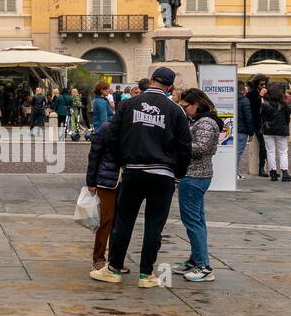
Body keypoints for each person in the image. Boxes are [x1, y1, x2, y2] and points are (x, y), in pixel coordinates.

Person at [91, 66, 192, 288]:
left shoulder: (127, 105)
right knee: (154, 225)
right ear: (170, 86)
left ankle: (114, 268)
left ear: (151, 80)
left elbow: (112, 136)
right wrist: (178, 174)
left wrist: (121, 162)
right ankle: (146, 274)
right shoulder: (176, 111)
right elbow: (185, 147)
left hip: (134, 170)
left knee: (124, 222)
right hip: (163, 174)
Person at [173, 88, 220, 282]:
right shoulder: (201, 121)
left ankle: (204, 266)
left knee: (192, 221)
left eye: (186, 107)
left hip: (195, 176)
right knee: (197, 220)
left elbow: (200, 148)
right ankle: (195, 260)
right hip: (196, 175)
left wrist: (176, 143)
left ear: (196, 104)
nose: (184, 110)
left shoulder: (206, 123)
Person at [85, 114, 120, 272]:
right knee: (106, 220)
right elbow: (94, 156)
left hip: (124, 180)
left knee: (120, 222)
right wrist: (91, 181)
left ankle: (115, 259)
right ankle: (98, 257)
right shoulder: (105, 128)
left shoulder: (130, 128)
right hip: (107, 180)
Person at [261, 82, 291, 182]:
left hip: (268, 130)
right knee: (283, 152)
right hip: (281, 130)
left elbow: (262, 117)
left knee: (270, 152)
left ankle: (273, 173)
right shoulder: (284, 105)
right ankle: (284, 172)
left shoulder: (265, 105)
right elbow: (287, 119)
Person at [235, 88, 255, 180]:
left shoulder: (232, 98)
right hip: (242, 130)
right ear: (243, 90)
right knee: (238, 152)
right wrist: (251, 132)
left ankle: (232, 172)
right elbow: (248, 116)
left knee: (234, 152)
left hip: (232, 129)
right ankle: (234, 172)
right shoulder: (244, 100)